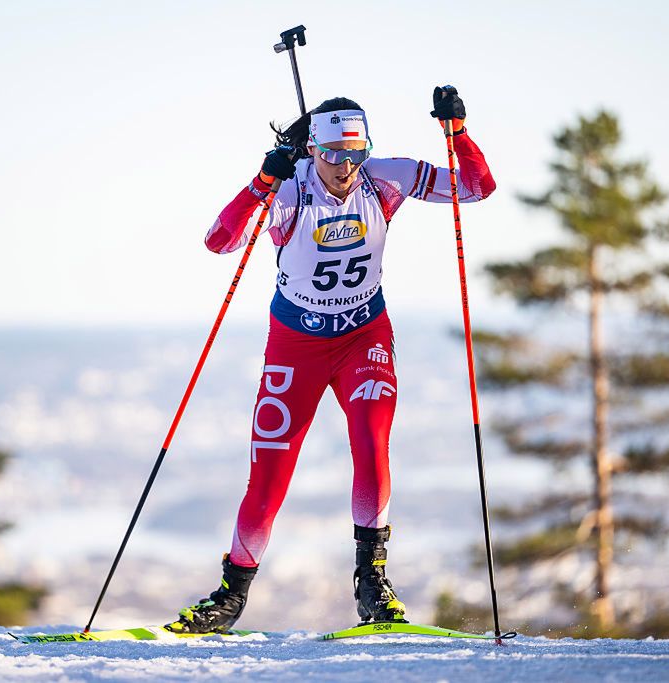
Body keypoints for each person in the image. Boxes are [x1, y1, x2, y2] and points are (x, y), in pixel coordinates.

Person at [166, 87, 496, 634]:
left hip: (364, 335)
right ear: (312, 149)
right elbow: (220, 242)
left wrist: (458, 133)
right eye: (332, 155)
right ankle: (231, 594)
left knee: (372, 442)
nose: (344, 168)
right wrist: (262, 181)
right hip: (296, 344)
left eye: (355, 154)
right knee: (270, 476)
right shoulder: (291, 193)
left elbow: (476, 189)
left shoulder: (384, 177)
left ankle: (373, 584)